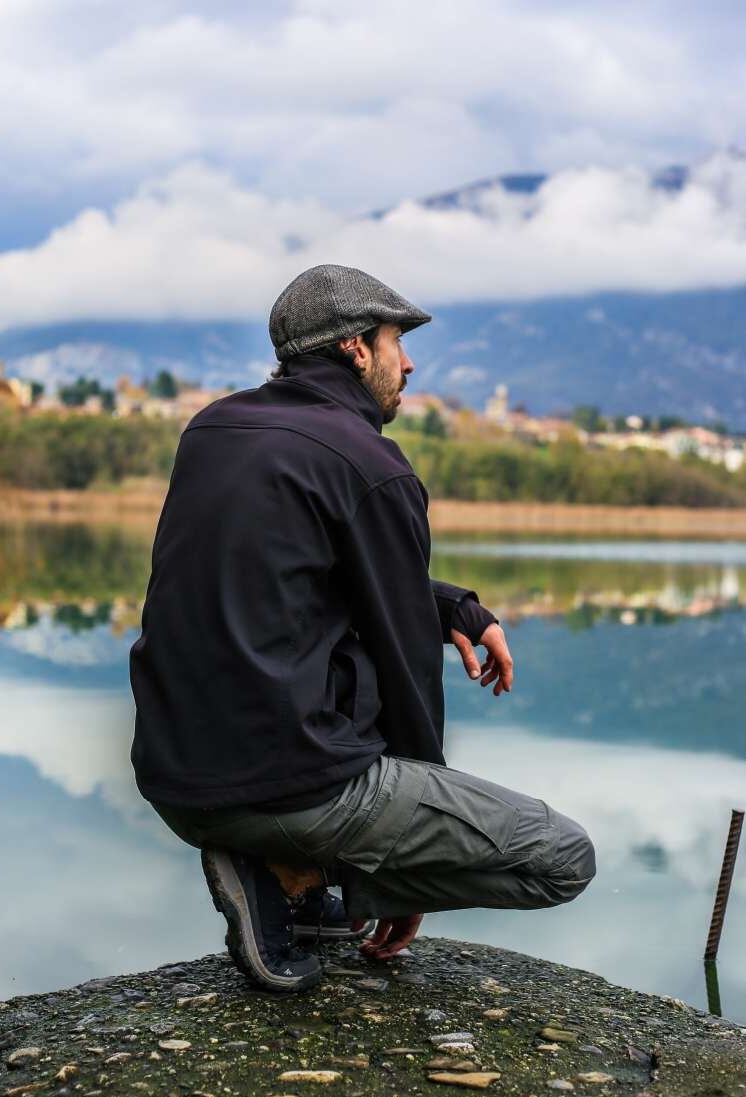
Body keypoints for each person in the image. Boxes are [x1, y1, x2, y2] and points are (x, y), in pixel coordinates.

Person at [129, 264, 595, 993]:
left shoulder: (215, 428)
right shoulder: (370, 463)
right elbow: (406, 666)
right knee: (563, 857)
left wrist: (456, 609)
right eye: (394, 340)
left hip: (174, 781)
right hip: (291, 791)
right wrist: (398, 881)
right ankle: (305, 881)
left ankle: (287, 878)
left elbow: (308, 579)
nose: (407, 361)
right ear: (354, 348)